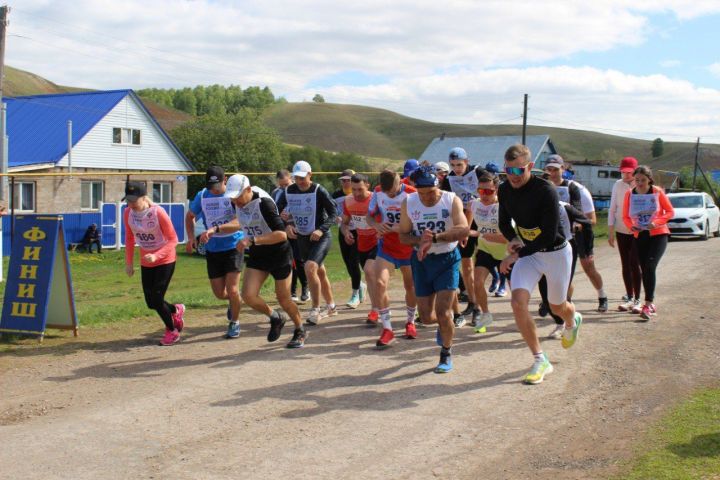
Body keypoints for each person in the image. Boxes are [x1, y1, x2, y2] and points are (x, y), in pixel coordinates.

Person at [498, 144, 582, 385]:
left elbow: (548, 235)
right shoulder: (504, 189)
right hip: (530, 256)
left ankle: (571, 318)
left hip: (556, 253)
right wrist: (513, 239)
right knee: (517, 303)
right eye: (508, 171)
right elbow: (504, 221)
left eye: (519, 171)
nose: (513, 177)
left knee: (556, 306)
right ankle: (540, 359)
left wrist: (515, 255)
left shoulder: (546, 191)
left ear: (531, 167)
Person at [220, 174, 308, 348]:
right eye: (232, 197)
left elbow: (281, 235)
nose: (235, 201)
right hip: (259, 255)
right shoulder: (238, 202)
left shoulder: (264, 203)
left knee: (284, 298)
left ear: (248, 190)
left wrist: (253, 240)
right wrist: (215, 229)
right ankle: (275, 317)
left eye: (237, 197)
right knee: (248, 295)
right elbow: (240, 223)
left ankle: (300, 329)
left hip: (279, 254)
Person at [399, 166, 469, 373]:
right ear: (415, 190)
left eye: (432, 192)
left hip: (447, 259)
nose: (428, 197)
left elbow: (463, 228)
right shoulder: (409, 203)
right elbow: (403, 236)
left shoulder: (450, 199)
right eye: (423, 193)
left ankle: (446, 352)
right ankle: (443, 327)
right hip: (421, 261)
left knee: (443, 312)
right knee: (428, 317)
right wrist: (421, 241)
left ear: (437, 186)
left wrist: (435, 238)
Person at [185, 166, 245, 339]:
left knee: (233, 289)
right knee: (220, 293)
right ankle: (234, 303)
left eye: (217, 184)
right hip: (213, 249)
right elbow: (190, 216)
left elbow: (240, 221)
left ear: (224, 180)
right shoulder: (203, 195)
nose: (214, 189)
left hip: (234, 245)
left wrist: (215, 229)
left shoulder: (233, 195)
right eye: (211, 185)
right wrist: (191, 239)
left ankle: (235, 322)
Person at [543, 154, 608, 313]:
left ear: (562, 169)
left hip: (579, 233)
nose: (552, 172)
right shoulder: (543, 187)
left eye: (555, 169)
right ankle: (562, 301)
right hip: (558, 234)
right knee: (561, 270)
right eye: (549, 169)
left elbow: (589, 217)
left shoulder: (575, 188)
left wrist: (577, 223)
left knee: (588, 267)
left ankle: (602, 296)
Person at [123, 181, 185, 346]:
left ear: (143, 198)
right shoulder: (128, 213)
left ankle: (172, 331)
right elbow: (129, 239)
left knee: (157, 298)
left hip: (165, 259)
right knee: (150, 303)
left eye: (134, 200)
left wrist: (157, 256)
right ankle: (176, 310)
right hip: (147, 261)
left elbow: (174, 240)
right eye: (128, 200)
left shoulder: (158, 213)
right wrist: (129, 263)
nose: (131, 204)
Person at [276, 160, 337, 325]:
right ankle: (331, 306)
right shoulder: (288, 191)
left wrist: (321, 229)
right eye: (297, 178)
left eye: (303, 177)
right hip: (302, 237)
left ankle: (315, 309)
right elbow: (277, 212)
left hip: (320, 237)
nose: (300, 181)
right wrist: (287, 225)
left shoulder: (318, 190)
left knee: (310, 268)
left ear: (310, 175)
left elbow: (333, 212)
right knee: (319, 272)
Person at [366, 169, 418, 344]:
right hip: (387, 247)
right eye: (387, 191)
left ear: (399, 181)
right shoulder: (378, 191)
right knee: (379, 283)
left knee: (410, 286)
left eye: (393, 190)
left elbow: (418, 222)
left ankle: (410, 322)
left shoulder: (412, 193)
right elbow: (369, 216)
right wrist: (377, 225)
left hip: (408, 247)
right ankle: (387, 328)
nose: (390, 193)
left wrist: (397, 228)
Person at [622, 165, 674, 321]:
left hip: (658, 234)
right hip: (640, 235)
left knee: (650, 266)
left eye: (643, 180)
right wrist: (631, 226)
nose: (639, 183)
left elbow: (670, 211)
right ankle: (650, 302)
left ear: (649, 179)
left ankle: (648, 304)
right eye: (636, 180)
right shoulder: (630, 194)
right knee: (644, 269)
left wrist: (657, 222)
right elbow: (625, 216)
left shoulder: (657, 192)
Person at [441, 147, 480, 327]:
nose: (457, 168)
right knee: (467, 265)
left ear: (467, 161)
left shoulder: (479, 172)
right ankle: (474, 304)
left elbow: (478, 201)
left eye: (460, 164)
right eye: (453, 165)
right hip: (464, 223)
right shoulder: (449, 179)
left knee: (485, 266)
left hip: (482, 222)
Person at [468, 168, 508, 333]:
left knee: (519, 293)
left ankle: (522, 316)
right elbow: (467, 224)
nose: (484, 195)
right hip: (486, 249)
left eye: (488, 191)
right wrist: (465, 233)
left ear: (496, 190)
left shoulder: (504, 207)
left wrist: (483, 234)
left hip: (507, 253)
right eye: (480, 190)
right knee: (477, 282)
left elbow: (510, 238)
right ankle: (485, 314)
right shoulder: (474, 204)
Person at [340, 174, 379, 320]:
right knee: (371, 278)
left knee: (369, 272)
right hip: (362, 244)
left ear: (368, 186)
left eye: (360, 190)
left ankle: (375, 310)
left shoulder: (376, 199)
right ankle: (379, 307)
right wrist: (346, 232)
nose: (356, 193)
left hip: (378, 242)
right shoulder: (348, 201)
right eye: (353, 189)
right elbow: (344, 223)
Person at [608, 156, 643, 312]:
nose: (626, 175)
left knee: (635, 264)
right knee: (625, 264)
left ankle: (638, 298)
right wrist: (610, 231)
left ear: (635, 171)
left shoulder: (641, 185)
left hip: (637, 230)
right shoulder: (617, 185)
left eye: (629, 172)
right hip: (621, 230)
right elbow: (612, 208)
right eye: (623, 172)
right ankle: (629, 296)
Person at [272, 169, 309, 303]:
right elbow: (274, 210)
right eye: (281, 185)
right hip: (283, 231)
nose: (283, 188)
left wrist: (291, 216)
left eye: (286, 184)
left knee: (300, 261)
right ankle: (292, 291)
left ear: (292, 180)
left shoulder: (299, 191)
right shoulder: (276, 193)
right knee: (288, 261)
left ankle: (305, 288)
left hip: (299, 230)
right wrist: (279, 217)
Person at [332, 169, 367, 308]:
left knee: (354, 261)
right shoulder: (336, 195)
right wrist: (335, 217)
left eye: (348, 180)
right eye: (343, 180)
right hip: (344, 230)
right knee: (348, 263)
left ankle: (355, 294)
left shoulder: (358, 193)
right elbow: (331, 211)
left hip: (358, 231)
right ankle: (360, 285)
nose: (346, 182)